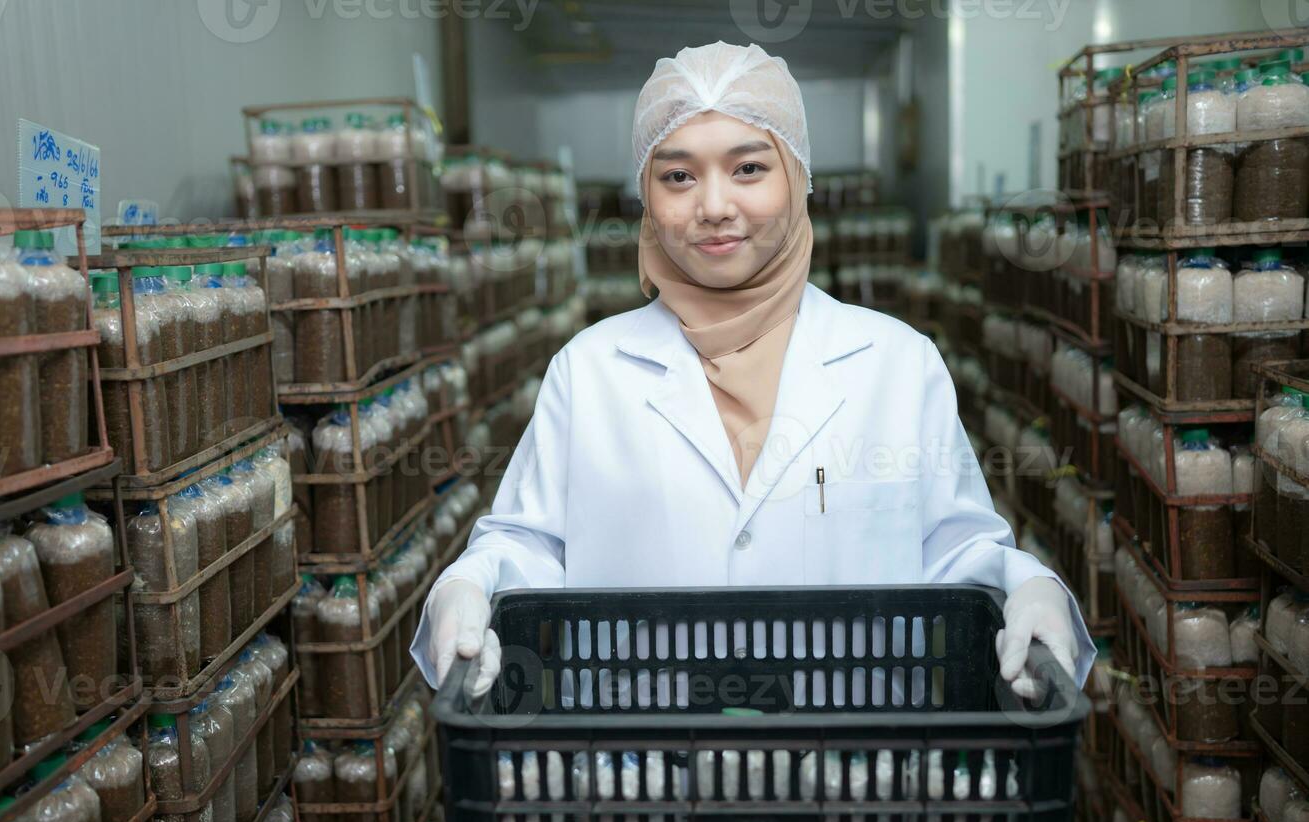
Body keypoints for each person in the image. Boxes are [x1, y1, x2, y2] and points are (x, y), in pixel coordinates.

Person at [411, 41, 1093, 700]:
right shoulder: (588, 372)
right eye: (677, 175)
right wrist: (467, 585)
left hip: (857, 772)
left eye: (748, 168)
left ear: (797, 177)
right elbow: (529, 548)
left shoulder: (896, 364)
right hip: (641, 772)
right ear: (646, 193)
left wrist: (1024, 583)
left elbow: (955, 551)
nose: (712, 206)